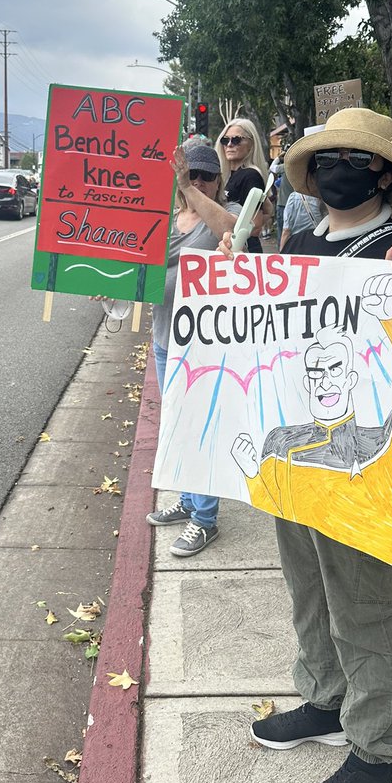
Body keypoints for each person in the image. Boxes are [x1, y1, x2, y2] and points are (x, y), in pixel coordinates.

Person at [222, 107, 392, 783]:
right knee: (307, 586)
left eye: (357, 157)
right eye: (328, 156)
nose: (340, 168)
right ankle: (325, 701)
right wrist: (235, 274)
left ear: (382, 171)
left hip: (361, 468)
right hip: (297, 453)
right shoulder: (301, 242)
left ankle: (376, 756)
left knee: (366, 601)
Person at [147, 139, 240, 557]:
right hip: (165, 337)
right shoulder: (164, 218)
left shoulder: (230, 212)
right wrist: (108, 287)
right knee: (180, 428)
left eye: (206, 175)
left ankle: (205, 520)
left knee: (201, 429)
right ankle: (188, 502)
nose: (197, 180)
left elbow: (232, 234)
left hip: (204, 345)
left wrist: (192, 190)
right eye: (190, 173)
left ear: (218, 181)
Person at [214, 118, 269, 253]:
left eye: (236, 139)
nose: (230, 144)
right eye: (225, 140)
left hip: (241, 251)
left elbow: (255, 226)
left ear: (251, 143)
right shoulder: (228, 175)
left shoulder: (250, 175)